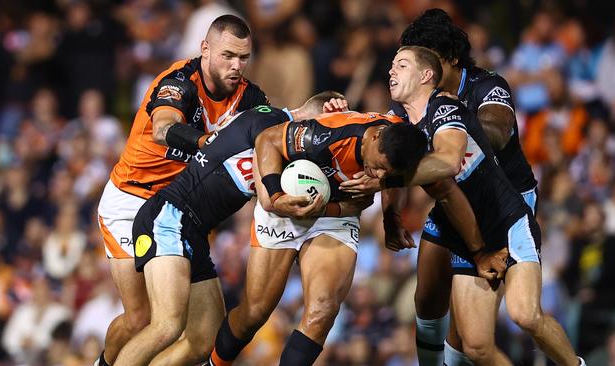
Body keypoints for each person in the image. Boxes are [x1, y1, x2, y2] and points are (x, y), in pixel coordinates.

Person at [341, 9, 538, 365]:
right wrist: (390, 214)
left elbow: (498, 129)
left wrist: (456, 127)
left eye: (418, 59)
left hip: (503, 200)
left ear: (445, 59)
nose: (407, 69)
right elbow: (394, 158)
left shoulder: (485, 86)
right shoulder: (413, 101)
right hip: (455, 197)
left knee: (470, 333)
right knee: (427, 295)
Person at [381, 46, 583, 365]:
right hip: (469, 234)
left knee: (525, 315)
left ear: (426, 75)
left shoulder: (445, 108)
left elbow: (447, 163)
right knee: (475, 347)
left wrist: (391, 178)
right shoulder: (406, 124)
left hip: (507, 222)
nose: (391, 71)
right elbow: (444, 192)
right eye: (391, 65)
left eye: (401, 65)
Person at [113, 92, 342, 366]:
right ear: (316, 117)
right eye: (326, 130)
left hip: (193, 231)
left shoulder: (281, 145)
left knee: (204, 340)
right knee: (166, 325)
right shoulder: (271, 121)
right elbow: (270, 201)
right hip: (168, 216)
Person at [95, 15, 268, 366]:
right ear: (205, 49)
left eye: (244, 57)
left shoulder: (248, 96)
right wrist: (210, 143)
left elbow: (278, 128)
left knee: (204, 336)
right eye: (228, 55)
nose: (236, 66)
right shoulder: (178, 81)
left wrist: (322, 110)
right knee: (142, 319)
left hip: (180, 211)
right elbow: (163, 129)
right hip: (133, 199)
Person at [210, 112, 428, 366]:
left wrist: (391, 218)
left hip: (335, 218)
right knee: (254, 314)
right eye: (378, 165)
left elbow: (392, 180)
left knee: (322, 310)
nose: (378, 175)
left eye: (386, 172)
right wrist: (276, 195)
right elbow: (267, 140)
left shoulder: (399, 139)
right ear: (375, 136)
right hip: (288, 202)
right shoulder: (328, 135)